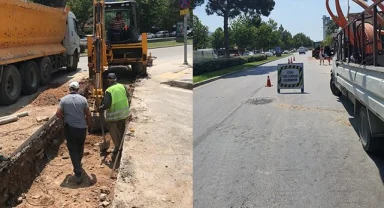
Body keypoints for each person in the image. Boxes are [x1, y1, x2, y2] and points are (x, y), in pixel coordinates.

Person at [56, 81, 92, 184]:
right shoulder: (83, 99)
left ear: (69, 89)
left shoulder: (63, 100)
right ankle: (78, 165)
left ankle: (78, 173)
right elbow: (88, 115)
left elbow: (58, 114)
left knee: (72, 150)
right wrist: (90, 126)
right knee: (80, 147)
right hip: (81, 128)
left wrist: (64, 117)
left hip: (70, 129)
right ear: (77, 90)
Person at [99, 73, 130, 160]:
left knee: (114, 131)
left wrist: (101, 108)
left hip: (113, 116)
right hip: (124, 114)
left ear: (108, 81)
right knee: (121, 129)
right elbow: (128, 96)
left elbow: (107, 105)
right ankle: (122, 145)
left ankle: (117, 147)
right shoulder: (122, 86)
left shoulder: (109, 90)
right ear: (116, 79)